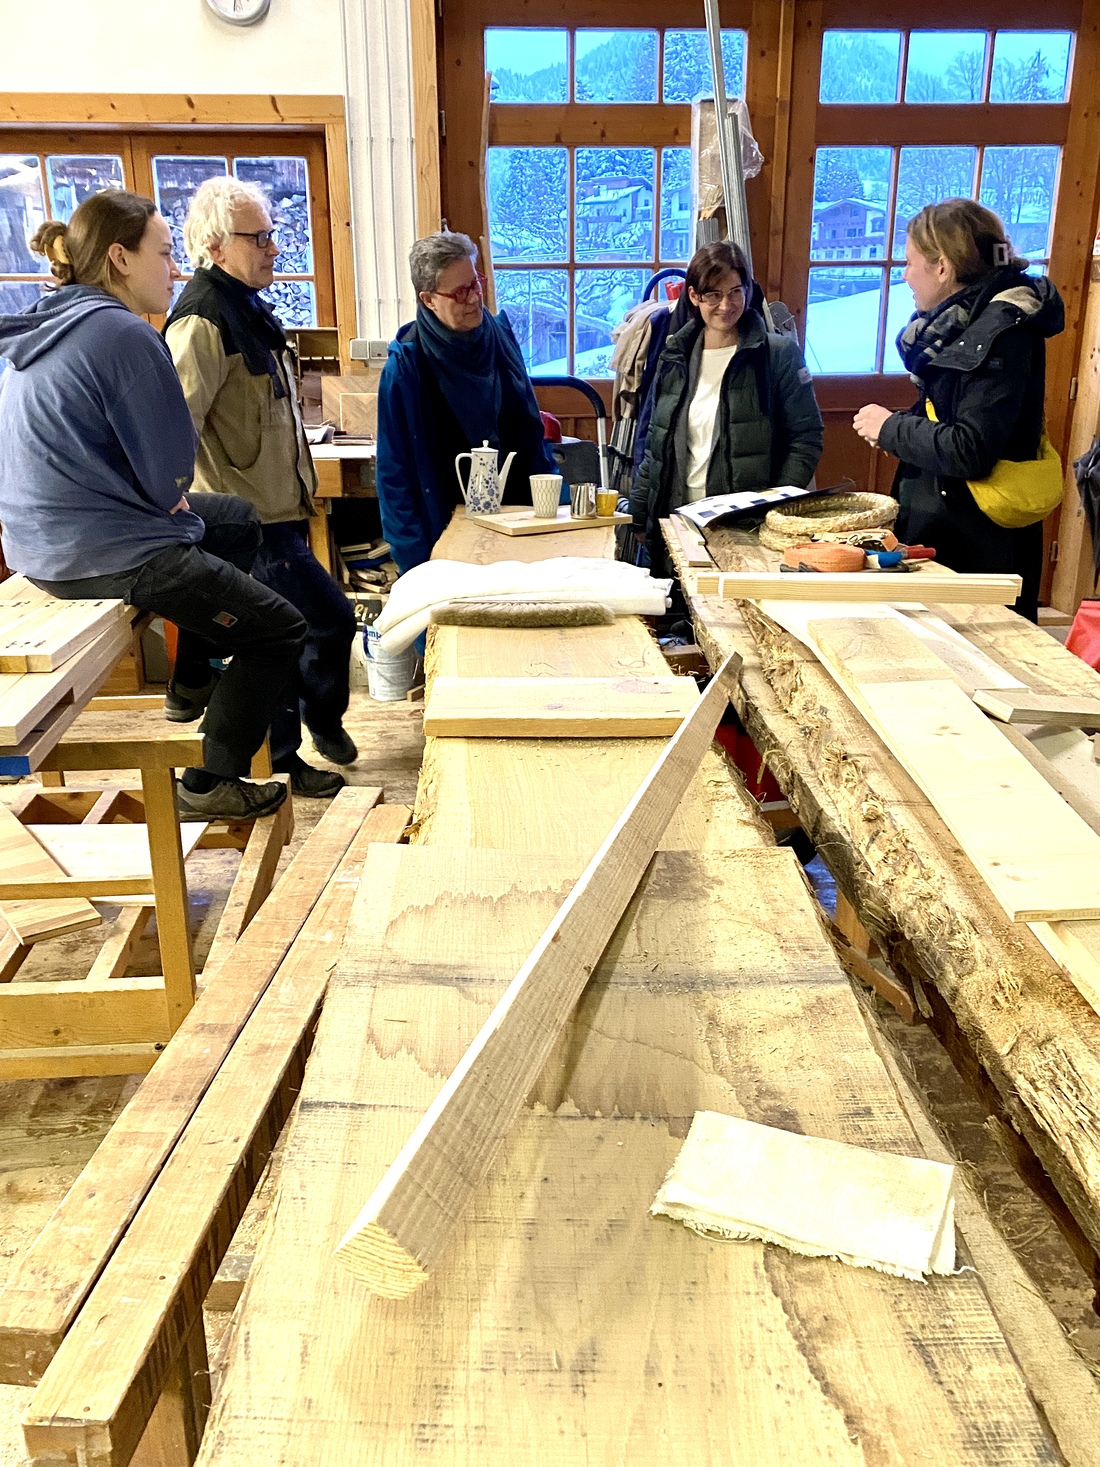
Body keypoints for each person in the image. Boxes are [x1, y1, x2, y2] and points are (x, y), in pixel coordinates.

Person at [0, 189, 305, 821]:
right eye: (164, 254)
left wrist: (172, 506)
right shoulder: (121, 335)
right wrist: (169, 506)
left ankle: (191, 677)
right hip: (101, 552)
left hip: (38, 545)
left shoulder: (49, 319)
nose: (174, 269)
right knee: (279, 628)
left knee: (235, 519)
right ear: (119, 258)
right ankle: (210, 781)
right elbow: (169, 481)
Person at [165, 177, 356, 799]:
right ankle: (289, 751)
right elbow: (176, 429)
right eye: (259, 237)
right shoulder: (201, 323)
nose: (274, 247)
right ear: (217, 246)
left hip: (280, 511)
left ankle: (305, 733)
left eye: (274, 234)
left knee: (302, 629)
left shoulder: (248, 309)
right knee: (309, 627)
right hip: (246, 525)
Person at [853, 199, 1064, 624]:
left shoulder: (998, 333)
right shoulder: (966, 323)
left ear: (943, 267)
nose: (905, 274)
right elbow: (948, 410)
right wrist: (897, 427)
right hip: (950, 529)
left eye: (911, 262)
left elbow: (970, 448)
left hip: (976, 543)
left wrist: (892, 428)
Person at [631, 240, 823, 573]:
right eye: (713, 295)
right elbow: (655, 447)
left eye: (736, 292)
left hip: (745, 526)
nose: (726, 305)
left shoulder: (777, 355)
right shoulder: (674, 356)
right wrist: (637, 515)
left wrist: (775, 505)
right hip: (679, 517)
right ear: (693, 296)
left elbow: (806, 438)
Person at [376, 231, 556, 574]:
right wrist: (414, 562)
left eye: (476, 283)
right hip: (444, 534)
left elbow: (530, 430)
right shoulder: (406, 367)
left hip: (520, 518)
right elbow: (393, 474)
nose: (474, 298)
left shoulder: (500, 336)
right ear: (429, 299)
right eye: (460, 292)